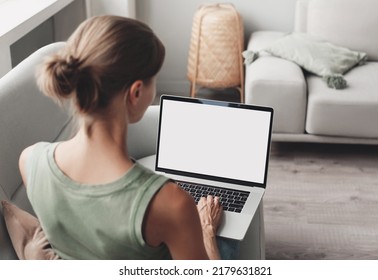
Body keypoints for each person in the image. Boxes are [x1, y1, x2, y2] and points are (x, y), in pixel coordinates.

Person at [18, 15, 224, 260]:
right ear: (136, 92)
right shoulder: (170, 203)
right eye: (154, 80)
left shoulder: (30, 161)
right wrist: (206, 231)